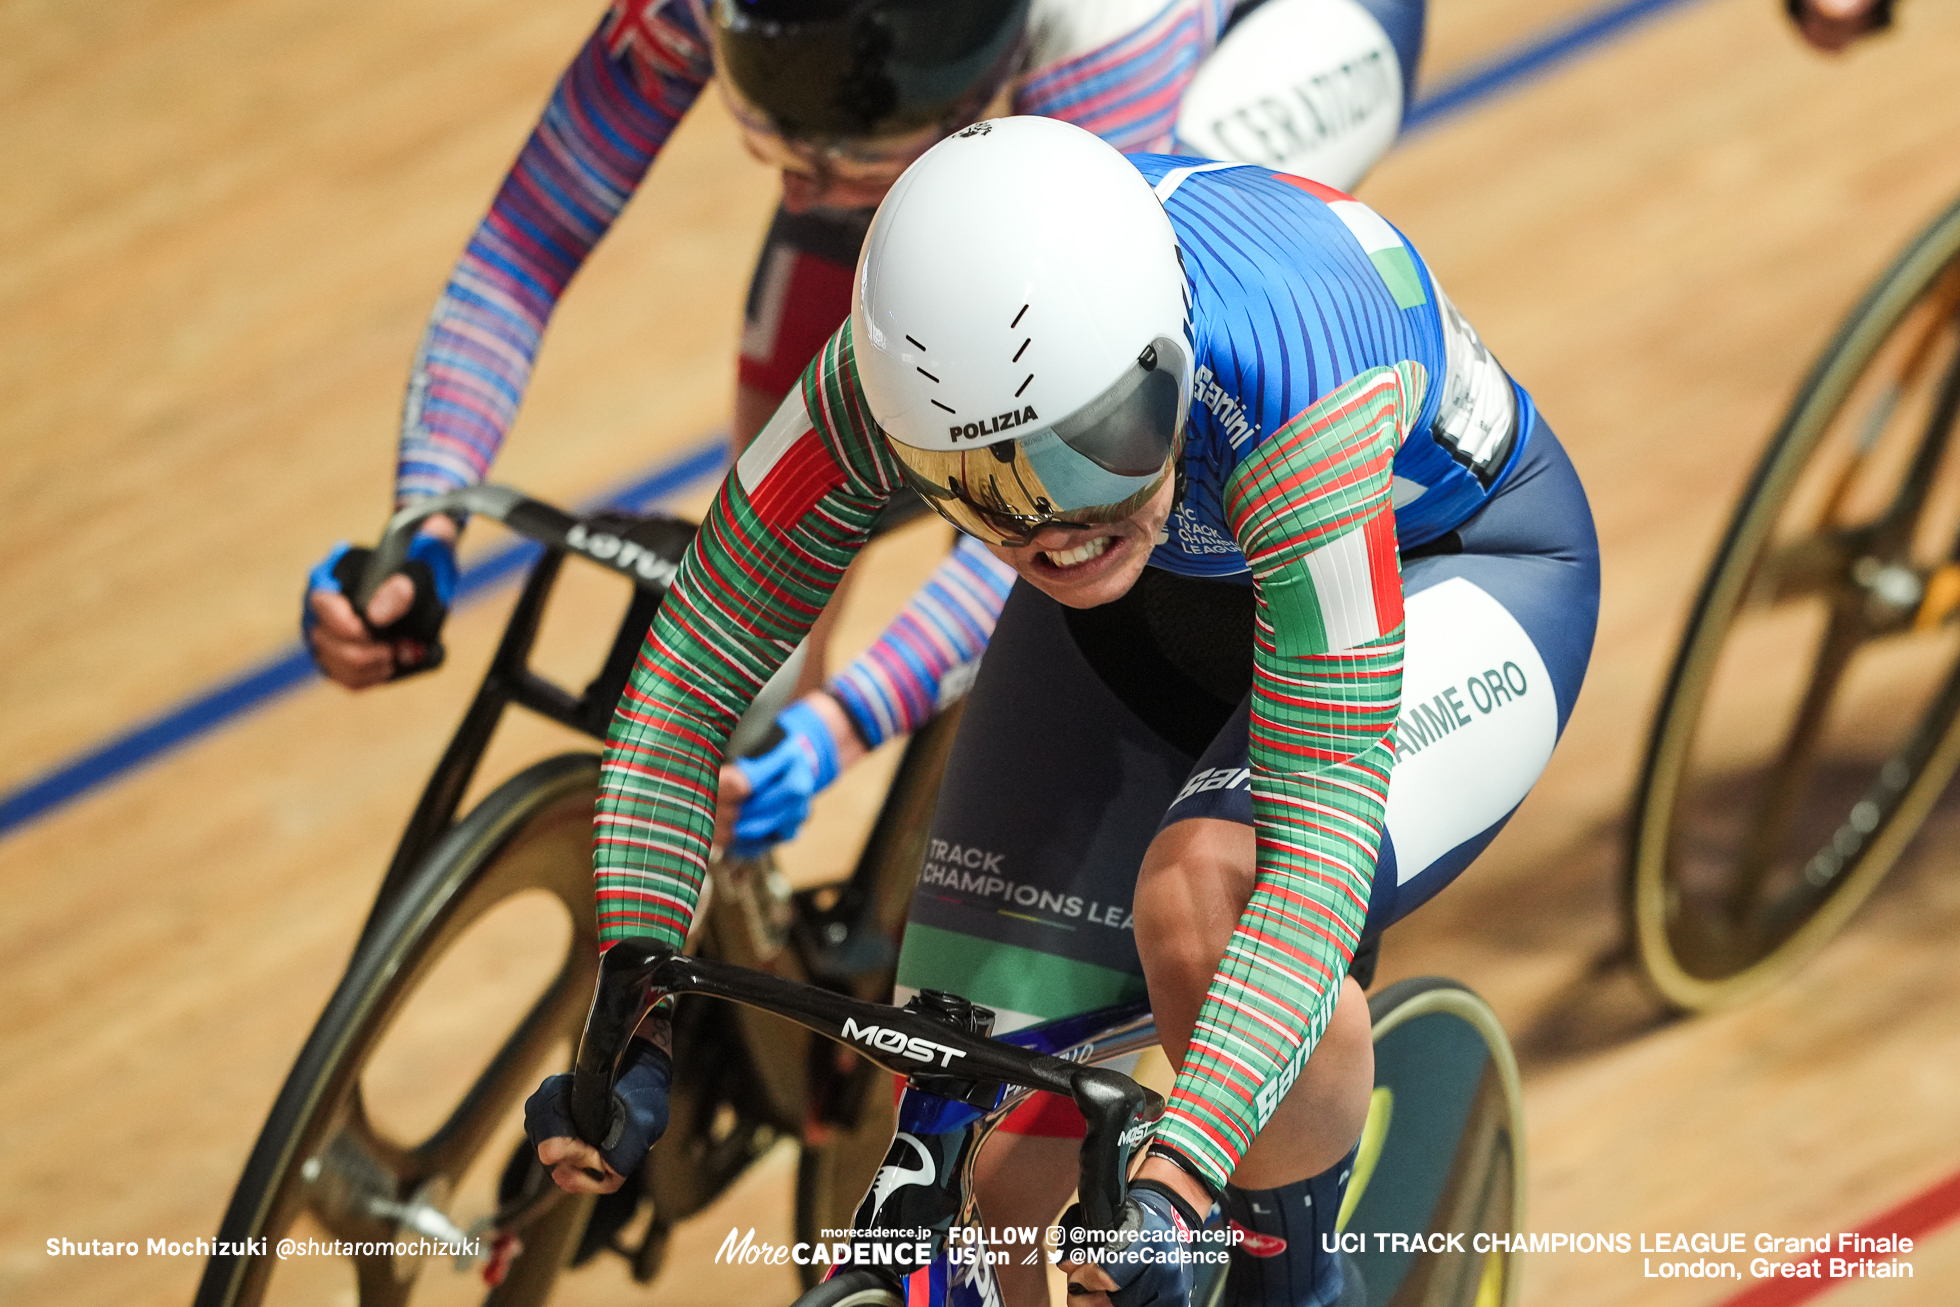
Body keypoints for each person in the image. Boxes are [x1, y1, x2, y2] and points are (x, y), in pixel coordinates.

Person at [522, 117, 1599, 1307]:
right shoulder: (881, 384)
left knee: (1205, 898)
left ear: (1165, 361)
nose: (1052, 528)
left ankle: (1297, 1285)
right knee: (959, 1130)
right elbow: (686, 681)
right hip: (1155, 616)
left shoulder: (1292, 375)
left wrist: (1180, 1182)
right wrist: (633, 1008)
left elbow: (1319, 847)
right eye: (980, 491)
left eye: (1095, 449)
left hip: (1455, 567)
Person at [301, 0, 1431, 858]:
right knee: (806, 469)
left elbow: (1070, 515)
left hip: (1257, 43)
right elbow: (526, 242)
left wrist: (855, 717)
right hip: (982, 98)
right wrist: (424, 511)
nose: (798, 191)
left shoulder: (1103, 40)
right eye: (780, 143)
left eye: (843, 153)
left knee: (1076, 455)